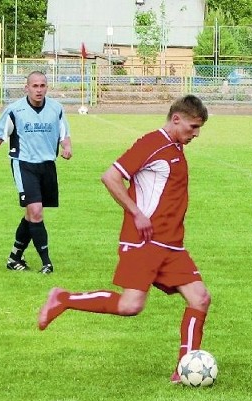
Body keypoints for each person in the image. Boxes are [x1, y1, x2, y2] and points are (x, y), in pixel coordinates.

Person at [37, 95, 211, 384]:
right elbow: (111, 177)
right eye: (192, 127)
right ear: (176, 118)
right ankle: (63, 298)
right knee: (131, 306)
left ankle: (184, 368)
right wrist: (136, 213)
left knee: (200, 298)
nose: (196, 134)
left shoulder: (175, 146)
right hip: (146, 241)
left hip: (171, 244)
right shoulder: (151, 144)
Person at [0, 71, 72, 274]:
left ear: (47, 87)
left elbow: (64, 133)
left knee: (32, 214)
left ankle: (14, 257)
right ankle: (47, 263)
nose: (39, 90)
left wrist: (67, 147)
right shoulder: (14, 110)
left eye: (42, 86)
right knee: (36, 211)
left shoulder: (56, 108)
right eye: (35, 86)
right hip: (23, 164)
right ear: (26, 88)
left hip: (47, 165)